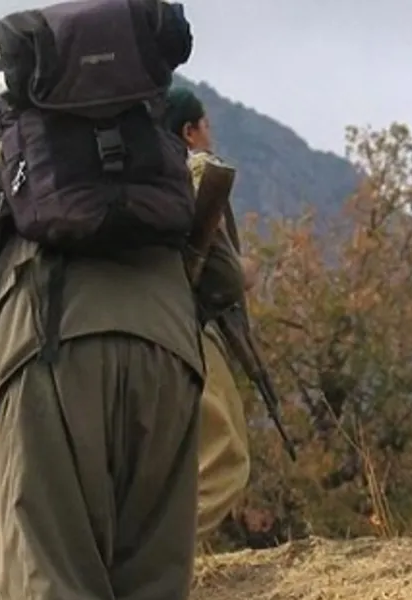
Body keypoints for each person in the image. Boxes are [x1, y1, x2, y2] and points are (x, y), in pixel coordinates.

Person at [0, 3, 245, 600]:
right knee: (146, 590)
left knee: (55, 588)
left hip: (53, 357)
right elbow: (226, 280)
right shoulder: (167, 154)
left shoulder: (6, 156)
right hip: (170, 365)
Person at [164, 86, 257, 539]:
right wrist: (244, 270)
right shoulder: (197, 173)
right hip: (185, 329)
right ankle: (154, 563)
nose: (210, 134)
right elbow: (218, 273)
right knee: (225, 460)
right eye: (206, 125)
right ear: (189, 131)